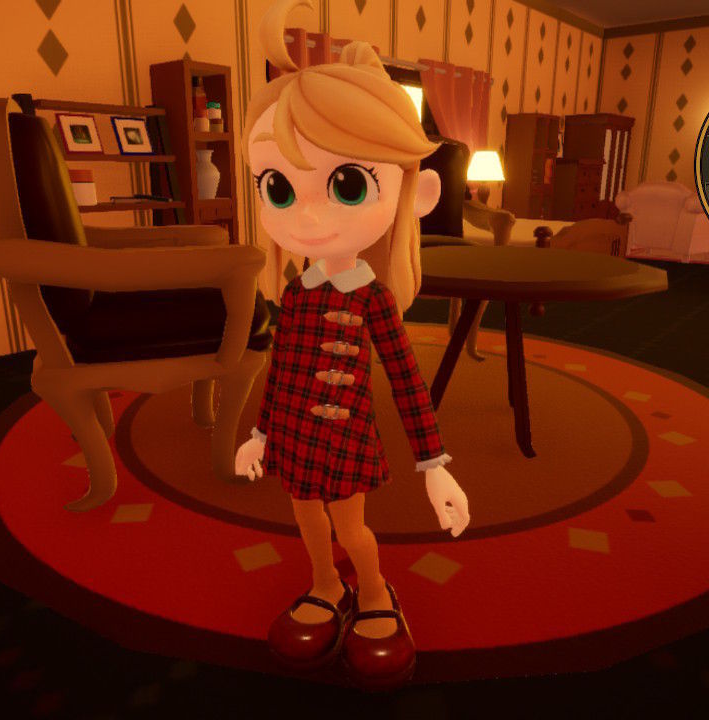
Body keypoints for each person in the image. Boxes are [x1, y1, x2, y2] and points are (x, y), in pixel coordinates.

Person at [233, 0, 471, 690]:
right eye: (278, 187)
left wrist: (435, 466)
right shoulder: (296, 294)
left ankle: (372, 589)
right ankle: (323, 584)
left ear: (416, 193)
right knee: (307, 523)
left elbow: (406, 382)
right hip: (293, 436)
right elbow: (281, 371)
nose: (306, 214)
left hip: (343, 440)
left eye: (344, 184)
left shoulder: (371, 299)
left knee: (353, 530)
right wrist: (259, 434)